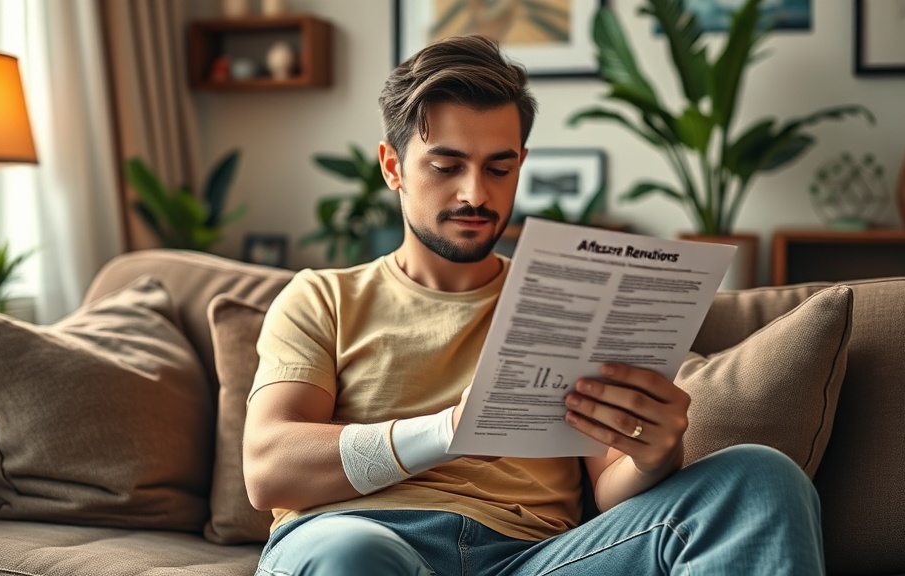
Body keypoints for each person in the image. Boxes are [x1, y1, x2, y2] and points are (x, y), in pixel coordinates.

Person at [243, 34, 825, 575]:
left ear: (520, 163)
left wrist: (653, 458)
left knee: (762, 475)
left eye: (499, 167)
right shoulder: (322, 297)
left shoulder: (573, 293)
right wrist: (448, 431)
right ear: (393, 167)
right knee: (353, 552)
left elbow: (607, 488)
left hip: (534, 558)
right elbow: (269, 469)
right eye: (446, 167)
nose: (475, 193)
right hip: (364, 537)